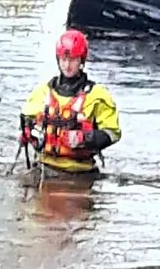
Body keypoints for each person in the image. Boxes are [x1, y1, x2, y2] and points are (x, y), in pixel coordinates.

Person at [20, 29, 120, 178]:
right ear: (58, 59)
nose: (67, 65)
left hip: (81, 172)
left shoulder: (97, 95)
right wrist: (26, 134)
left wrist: (85, 138)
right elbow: (25, 121)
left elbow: (113, 133)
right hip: (43, 168)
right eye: (63, 59)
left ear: (82, 60)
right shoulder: (43, 91)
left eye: (73, 60)